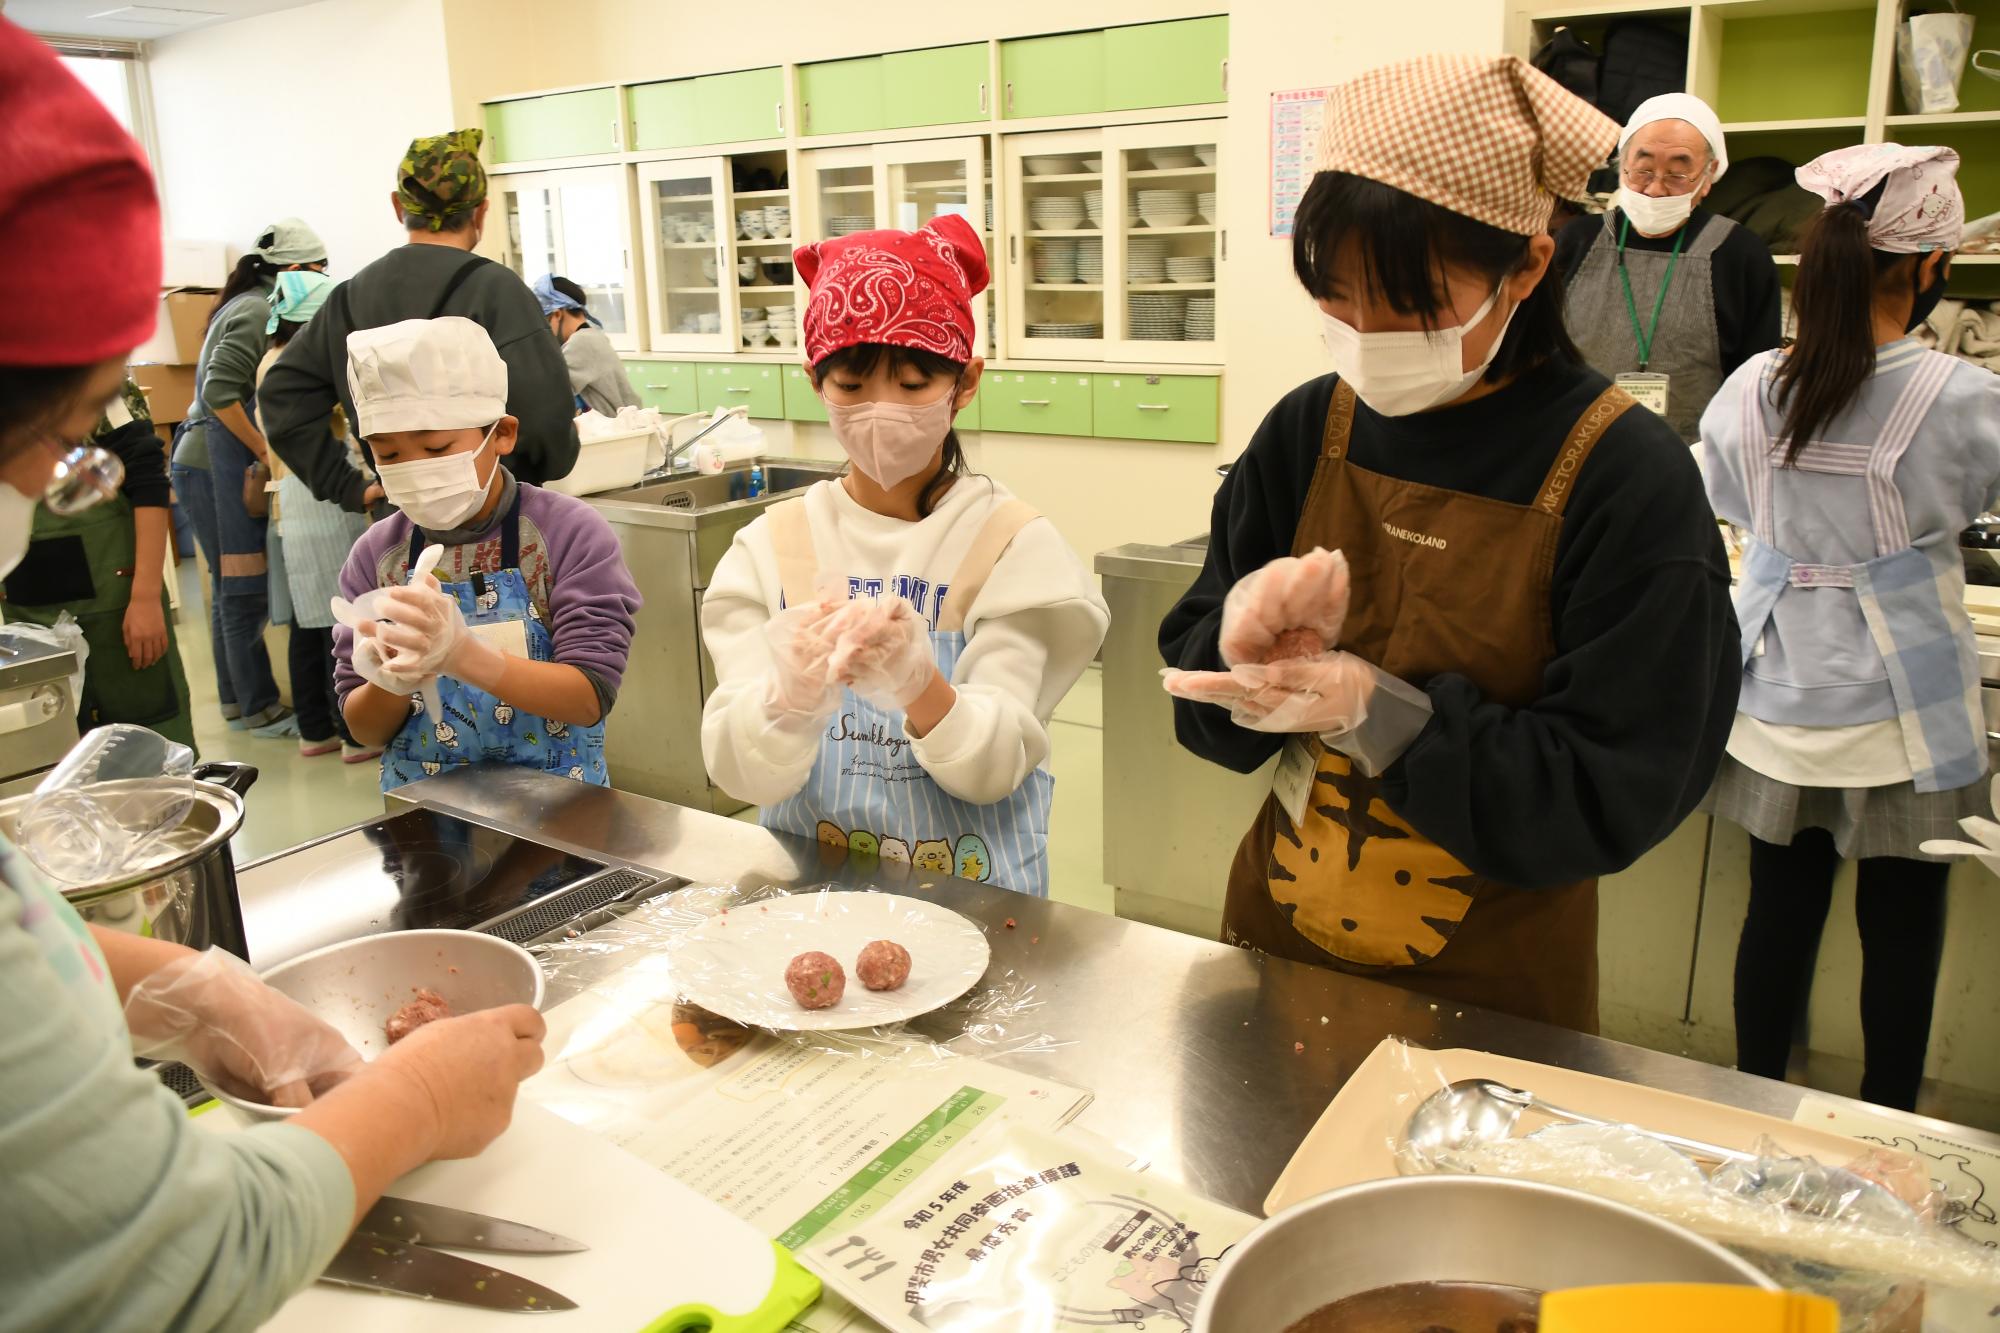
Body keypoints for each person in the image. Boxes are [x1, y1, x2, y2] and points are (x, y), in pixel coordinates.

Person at [0, 21, 545, 1326]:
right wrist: (405, 1105)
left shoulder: (555, 534)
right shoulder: (373, 548)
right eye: (61, 444)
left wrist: (180, 985)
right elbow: (166, 1264)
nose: (52, 489)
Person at [1158, 55, 1740, 1031]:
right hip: (1273, 943)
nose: (1364, 335)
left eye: (1412, 305)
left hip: (1491, 996)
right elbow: (1195, 693)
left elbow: (1614, 790)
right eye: (1334, 295)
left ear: (1526, 264)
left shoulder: (1622, 480)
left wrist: (1375, 712)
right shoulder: (1308, 430)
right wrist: (1230, 645)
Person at [1701, 145, 1998, 1112]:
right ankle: (1888, 1134)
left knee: (1776, 916)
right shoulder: (1961, 396)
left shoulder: (1749, 387)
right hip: (1906, 705)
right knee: (1903, 929)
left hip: (1779, 689)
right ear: (1926, 269)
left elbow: (1726, 500)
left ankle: (1757, 1116)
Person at [700, 216, 1109, 896]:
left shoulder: (1010, 545)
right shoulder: (771, 548)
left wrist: (921, 684)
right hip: (811, 905)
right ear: (815, 380)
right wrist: (788, 699)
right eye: (852, 388)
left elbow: (996, 764)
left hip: (980, 906)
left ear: (966, 382)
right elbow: (741, 775)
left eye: (914, 385)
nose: (882, 412)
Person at [332, 316, 640, 792]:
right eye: (389, 455)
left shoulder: (564, 534)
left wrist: (461, 655)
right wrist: (391, 678)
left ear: (503, 434)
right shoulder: (377, 556)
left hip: (560, 807)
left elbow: (588, 698)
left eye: (436, 447)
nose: (414, 468)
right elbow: (364, 728)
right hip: (428, 811)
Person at [260, 129, 580, 511]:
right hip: (498, 517)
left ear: (398, 206)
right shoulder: (495, 291)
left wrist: (347, 486)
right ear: (481, 211)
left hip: (401, 523)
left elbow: (281, 395)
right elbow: (546, 423)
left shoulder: (347, 299)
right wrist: (545, 466)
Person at [171, 216, 328, 736]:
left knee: (226, 589)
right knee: (241, 590)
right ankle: (256, 704)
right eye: (317, 270)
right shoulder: (258, 308)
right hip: (212, 462)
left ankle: (238, 703)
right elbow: (219, 394)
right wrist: (267, 449)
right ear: (294, 270)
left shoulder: (251, 304)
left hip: (206, 459)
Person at [1555, 94, 1784, 443]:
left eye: (1678, 174)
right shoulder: (1575, 242)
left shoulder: (1740, 255)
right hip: (1576, 450)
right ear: (1621, 166)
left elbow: (1756, 384)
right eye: (1642, 170)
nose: (1656, 188)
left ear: (1708, 177)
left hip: (1695, 462)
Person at [1, 375, 197, 751]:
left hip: (118, 604)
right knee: (53, 748)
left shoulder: (98, 384)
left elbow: (147, 482)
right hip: (29, 610)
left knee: (144, 749)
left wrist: (144, 597)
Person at [258, 271, 379, 763]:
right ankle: (352, 733)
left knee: (310, 623)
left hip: (298, 500)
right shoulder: (291, 365)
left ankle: (315, 729)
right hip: (318, 499)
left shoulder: (273, 360)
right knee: (339, 619)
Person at [534, 273, 640, 417]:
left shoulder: (581, 343)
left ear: (558, 314)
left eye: (546, 321)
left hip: (613, 432)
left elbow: (547, 392)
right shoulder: (592, 335)